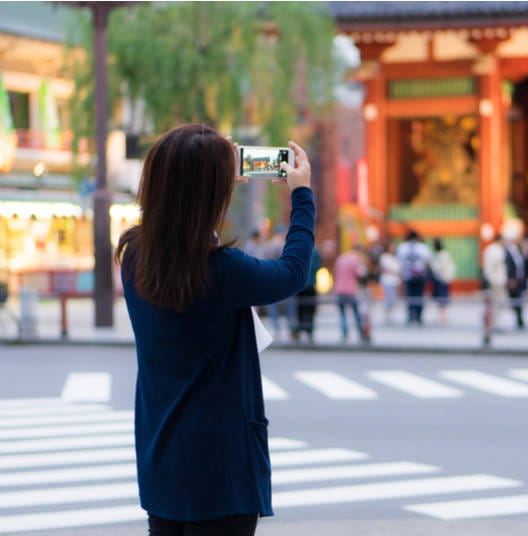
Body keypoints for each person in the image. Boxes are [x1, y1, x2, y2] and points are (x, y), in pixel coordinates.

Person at [115, 124, 313, 535]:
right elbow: (293, 272)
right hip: (222, 472)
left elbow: (182, 238)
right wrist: (302, 195)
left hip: (162, 459)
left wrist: (211, 173)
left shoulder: (134, 256)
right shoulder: (222, 271)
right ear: (211, 194)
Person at [333, 246, 368, 342]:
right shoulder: (355, 260)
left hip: (339, 289)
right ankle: (360, 332)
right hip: (351, 290)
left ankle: (344, 334)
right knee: (356, 313)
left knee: (342, 313)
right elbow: (360, 273)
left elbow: (335, 272)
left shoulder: (340, 258)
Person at [397, 230, 432, 325]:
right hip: (413, 276)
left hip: (414, 275)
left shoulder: (403, 248)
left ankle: (414, 315)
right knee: (415, 296)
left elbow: (399, 262)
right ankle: (415, 315)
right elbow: (428, 261)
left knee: (413, 296)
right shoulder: (422, 248)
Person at [292, 245, 321, 343]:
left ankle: (300, 329)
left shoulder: (299, 248)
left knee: (300, 308)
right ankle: (309, 330)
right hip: (311, 283)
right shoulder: (315, 251)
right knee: (310, 308)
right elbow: (318, 266)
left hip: (300, 284)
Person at [429, 238, 457, 323]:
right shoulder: (438, 255)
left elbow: (443, 267)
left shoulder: (443, 255)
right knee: (440, 298)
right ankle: (441, 315)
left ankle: (443, 315)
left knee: (443, 298)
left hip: (443, 279)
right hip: (439, 279)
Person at [378, 241, 402, 324]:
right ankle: (387, 313)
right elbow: (387, 269)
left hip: (395, 281)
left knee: (393, 298)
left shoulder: (396, 258)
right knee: (389, 297)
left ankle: (390, 313)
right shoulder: (385, 257)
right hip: (387, 281)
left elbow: (398, 269)